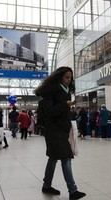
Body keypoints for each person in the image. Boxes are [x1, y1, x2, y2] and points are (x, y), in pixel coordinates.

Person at [34, 66, 86, 200]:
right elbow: (50, 112)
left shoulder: (66, 91)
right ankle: (73, 191)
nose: (69, 80)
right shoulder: (51, 92)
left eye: (70, 78)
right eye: (66, 77)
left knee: (53, 158)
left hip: (62, 130)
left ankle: (46, 186)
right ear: (59, 77)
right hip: (53, 130)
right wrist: (66, 104)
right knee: (66, 158)